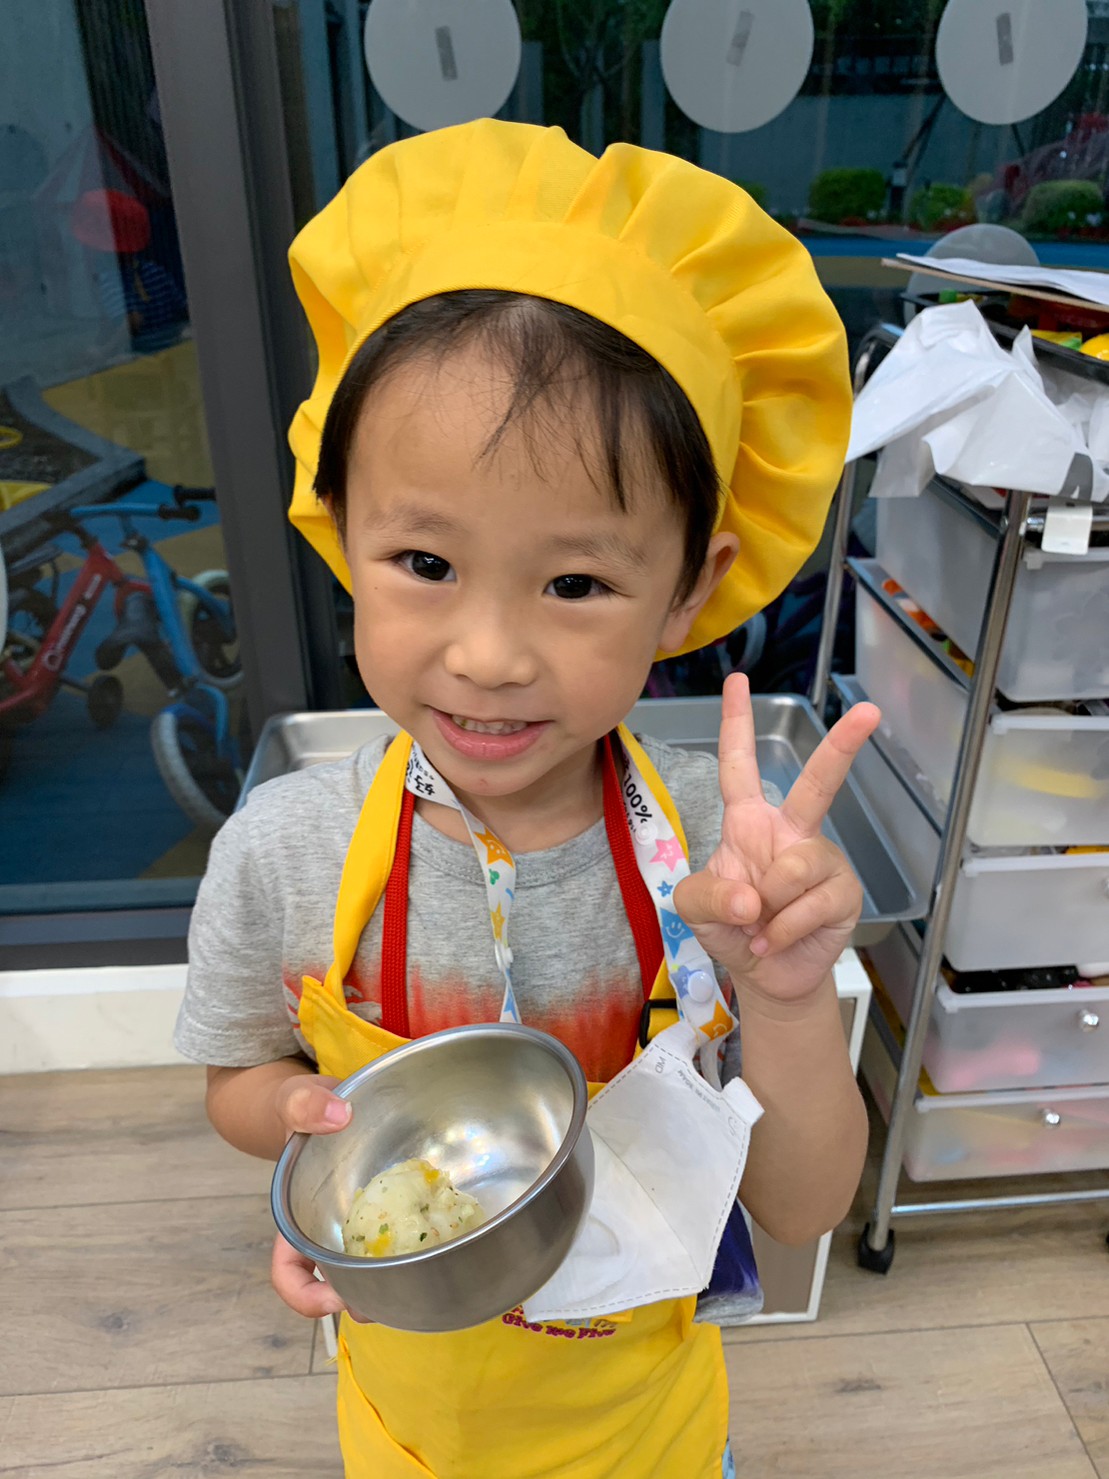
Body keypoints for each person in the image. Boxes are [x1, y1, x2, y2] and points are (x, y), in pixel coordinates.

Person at [176, 119, 878, 1478]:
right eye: (425, 561)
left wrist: (789, 1001)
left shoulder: (725, 869)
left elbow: (798, 1209)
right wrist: (305, 1144)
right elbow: (240, 1079)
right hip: (407, 1432)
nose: (489, 654)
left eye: (574, 583)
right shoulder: (285, 852)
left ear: (686, 587)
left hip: (650, 1435)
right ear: (339, 526)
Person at [70, 187, 188, 353]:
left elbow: (133, 320)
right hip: (171, 349)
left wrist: (104, 352)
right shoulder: (155, 270)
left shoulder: (111, 279)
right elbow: (182, 308)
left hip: (141, 356)